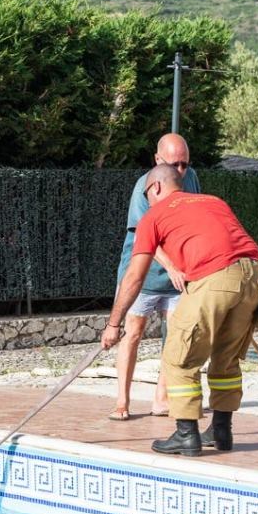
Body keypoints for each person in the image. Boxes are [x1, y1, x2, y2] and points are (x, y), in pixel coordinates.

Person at [101, 164, 258, 457]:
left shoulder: (153, 215)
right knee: (226, 357)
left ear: (155, 187)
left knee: (178, 355)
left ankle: (186, 434)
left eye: (147, 194)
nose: (147, 200)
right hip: (256, 276)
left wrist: (114, 324)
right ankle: (221, 430)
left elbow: (134, 277)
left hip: (216, 277)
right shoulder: (213, 201)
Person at [110, 133, 201, 421]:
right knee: (132, 334)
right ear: (158, 160)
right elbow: (145, 236)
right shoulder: (146, 186)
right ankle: (122, 402)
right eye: (174, 164)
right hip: (143, 275)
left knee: (174, 339)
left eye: (185, 164)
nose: (181, 171)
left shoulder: (191, 178)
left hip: (177, 279)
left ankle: (161, 400)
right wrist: (171, 266)